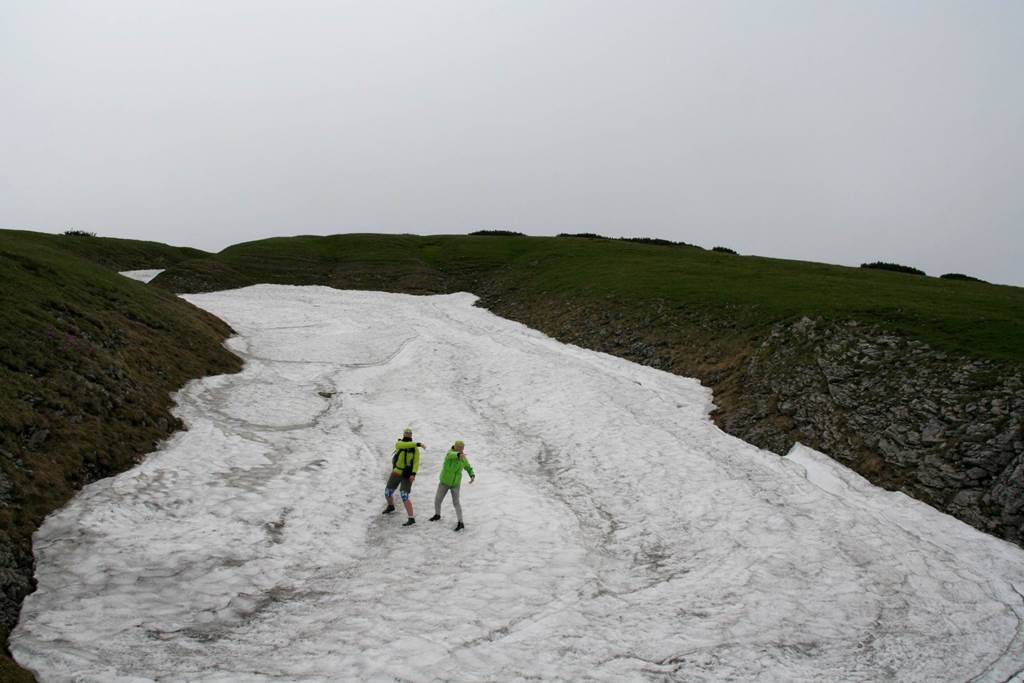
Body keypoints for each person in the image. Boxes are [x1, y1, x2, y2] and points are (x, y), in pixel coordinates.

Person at [429, 440, 475, 531]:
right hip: (444, 482)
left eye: (463, 448)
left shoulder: (463, 457)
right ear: (456, 447)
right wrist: (458, 455)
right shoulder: (449, 453)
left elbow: (468, 467)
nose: (462, 449)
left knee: (456, 503)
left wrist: (472, 475)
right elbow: (452, 455)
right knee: (437, 500)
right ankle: (437, 515)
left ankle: (460, 523)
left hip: (455, 484)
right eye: (460, 448)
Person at [383, 428, 426, 526]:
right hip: (396, 471)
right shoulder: (399, 444)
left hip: (407, 474)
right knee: (387, 492)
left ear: (411, 435)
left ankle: (411, 518)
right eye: (406, 434)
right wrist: (418, 444)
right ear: (403, 434)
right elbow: (403, 445)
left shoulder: (414, 449)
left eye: (409, 434)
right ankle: (391, 506)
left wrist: (413, 474)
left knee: (404, 495)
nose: (407, 435)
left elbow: (416, 462)